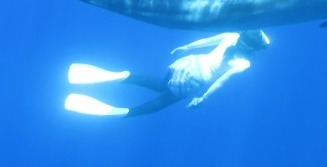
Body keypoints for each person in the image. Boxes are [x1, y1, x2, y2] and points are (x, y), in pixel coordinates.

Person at [63, 30, 270, 117]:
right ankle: (126, 113)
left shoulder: (232, 35)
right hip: (194, 79)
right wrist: (203, 97)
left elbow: (204, 42)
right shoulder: (244, 63)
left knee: (161, 84)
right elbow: (221, 82)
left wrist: (185, 48)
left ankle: (125, 76)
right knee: (162, 101)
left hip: (189, 63)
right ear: (252, 49)